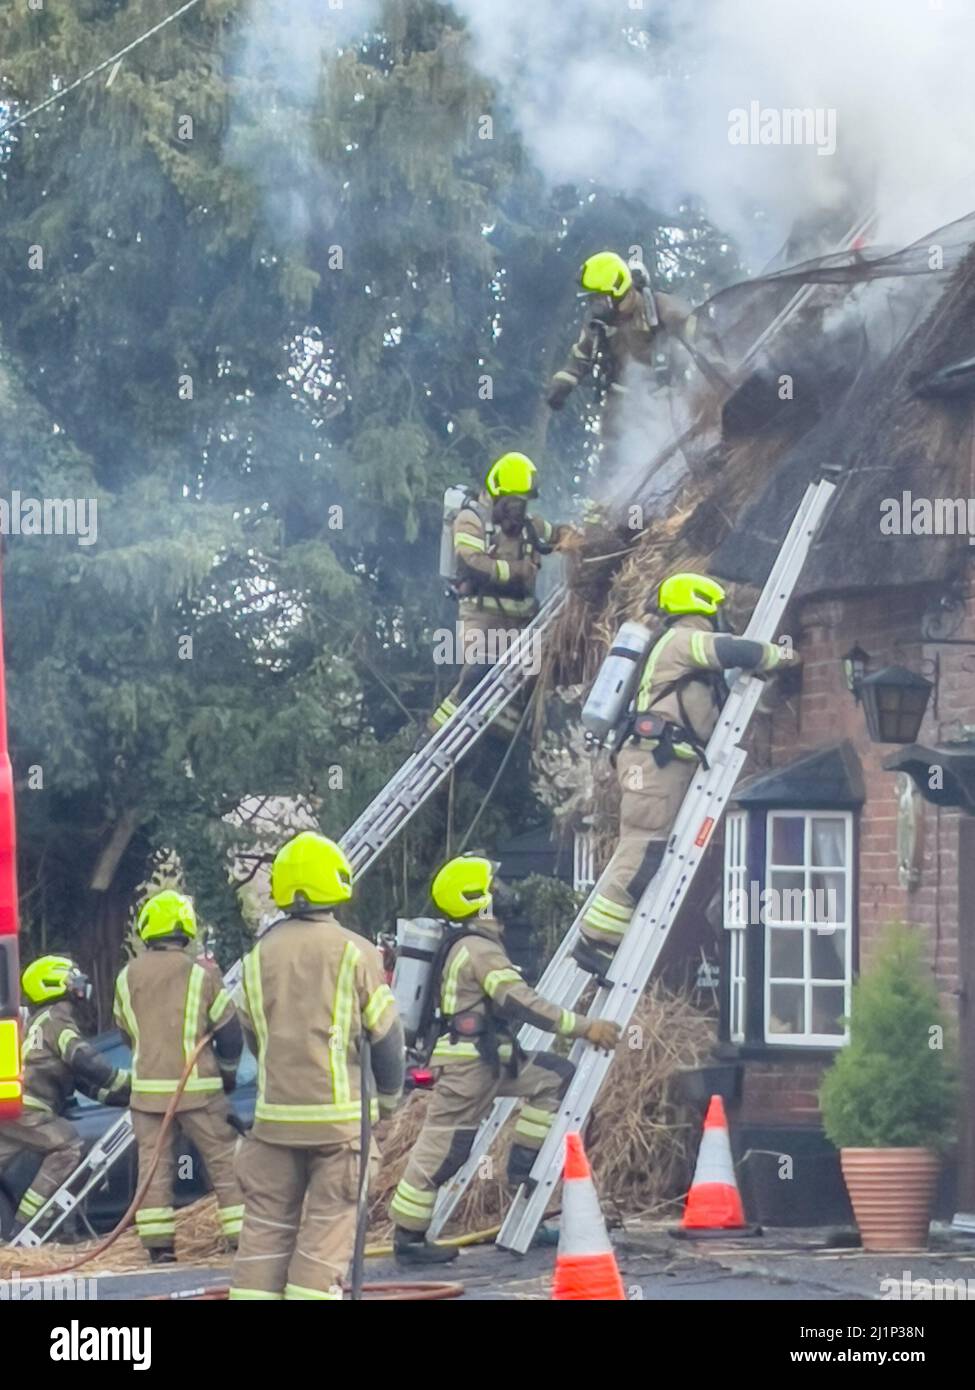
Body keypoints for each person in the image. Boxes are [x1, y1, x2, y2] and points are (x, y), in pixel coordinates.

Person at [389, 854, 621, 1264]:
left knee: (555, 1077)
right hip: (466, 1067)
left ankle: (522, 1167)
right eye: (492, 889)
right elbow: (522, 1002)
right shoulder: (478, 949)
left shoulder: (473, 944)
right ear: (475, 899)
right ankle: (408, 1238)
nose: (502, 895)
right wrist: (584, 1026)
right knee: (445, 1149)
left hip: (489, 1061)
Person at [576, 572, 798, 980]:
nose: (721, 618)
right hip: (653, 766)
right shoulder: (683, 640)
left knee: (646, 848)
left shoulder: (679, 651)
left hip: (663, 764)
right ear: (701, 607)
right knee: (644, 848)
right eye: (717, 611)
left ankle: (602, 940)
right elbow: (733, 651)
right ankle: (595, 941)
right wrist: (781, 657)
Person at [230, 832, 405, 1301]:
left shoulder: (254, 958)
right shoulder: (355, 951)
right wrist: (388, 1101)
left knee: (264, 1237)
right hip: (339, 1128)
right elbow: (387, 1039)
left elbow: (252, 1037)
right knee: (324, 1238)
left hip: (272, 1127)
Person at [113, 889, 244, 1262]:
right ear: (186, 928)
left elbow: (126, 1031)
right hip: (198, 1090)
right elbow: (230, 1033)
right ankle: (242, 1241)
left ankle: (159, 1250)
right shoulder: (201, 975)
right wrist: (228, 1076)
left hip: (147, 1096)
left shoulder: (126, 977)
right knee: (224, 1163)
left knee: (154, 1169)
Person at [428, 451, 573, 742]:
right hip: (481, 618)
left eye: (524, 503)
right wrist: (519, 571)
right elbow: (473, 563)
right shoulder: (472, 519)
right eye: (515, 502)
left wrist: (582, 536)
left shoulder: (529, 525)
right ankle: (433, 737)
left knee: (533, 677)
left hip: (521, 623)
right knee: (476, 675)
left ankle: (497, 735)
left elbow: (557, 534)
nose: (520, 510)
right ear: (498, 494)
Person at [0, 955, 130, 1239]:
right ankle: (26, 1227)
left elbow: (83, 1082)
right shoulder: (57, 1019)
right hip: (30, 1108)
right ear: (54, 983)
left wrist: (124, 1095)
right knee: (67, 1146)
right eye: (73, 977)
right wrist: (128, 1082)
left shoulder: (39, 1022)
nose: (81, 984)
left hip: (13, 1107)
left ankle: (55, 1230)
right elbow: (85, 1061)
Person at [546, 251, 699, 472]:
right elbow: (580, 357)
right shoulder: (598, 325)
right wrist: (564, 382)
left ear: (618, 290)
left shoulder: (658, 307)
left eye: (599, 298)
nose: (595, 306)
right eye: (592, 299)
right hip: (620, 399)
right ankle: (610, 499)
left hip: (667, 393)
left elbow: (698, 331)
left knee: (679, 439)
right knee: (612, 452)